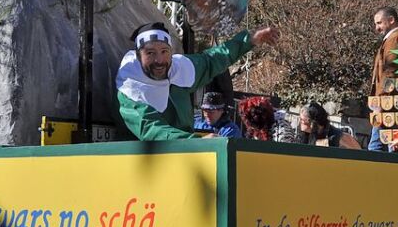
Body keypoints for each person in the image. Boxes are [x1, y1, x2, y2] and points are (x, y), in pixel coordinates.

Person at [116, 21, 279, 141]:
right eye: (150, 53)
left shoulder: (179, 68)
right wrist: (194, 143)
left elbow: (212, 60)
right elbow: (151, 129)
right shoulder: (131, 87)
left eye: (164, 51)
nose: (159, 60)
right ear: (138, 56)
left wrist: (249, 40)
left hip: (188, 155)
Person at [369, 7, 398, 151]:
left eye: (379, 23)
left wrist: (382, 102)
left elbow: (390, 73)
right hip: (389, 102)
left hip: (388, 103)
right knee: (388, 145)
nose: (377, 28)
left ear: (391, 20)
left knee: (376, 147)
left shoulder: (395, 39)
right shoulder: (390, 39)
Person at [295, 102, 361, 149]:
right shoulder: (304, 135)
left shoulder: (340, 138)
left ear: (313, 123)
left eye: (302, 120)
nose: (300, 122)